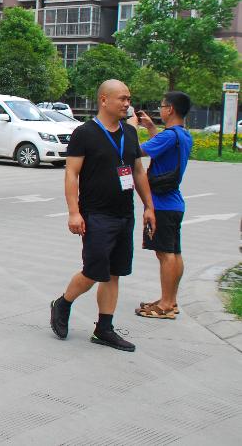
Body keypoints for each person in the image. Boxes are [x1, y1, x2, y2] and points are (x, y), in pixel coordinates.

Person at [50, 79, 156, 353]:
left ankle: (104, 329)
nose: (127, 103)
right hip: (96, 213)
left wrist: (149, 206)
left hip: (124, 213)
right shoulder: (84, 133)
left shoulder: (130, 132)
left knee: (114, 273)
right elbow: (71, 173)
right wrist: (74, 212)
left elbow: (138, 171)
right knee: (93, 271)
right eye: (122, 98)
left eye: (128, 98)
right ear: (104, 100)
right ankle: (63, 303)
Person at [132, 92, 193, 320]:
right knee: (174, 253)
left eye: (162, 106)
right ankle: (171, 300)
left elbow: (137, 151)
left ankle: (165, 305)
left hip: (162, 204)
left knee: (165, 254)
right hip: (174, 202)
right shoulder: (182, 135)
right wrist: (150, 128)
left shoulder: (168, 136)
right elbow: (162, 148)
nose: (160, 109)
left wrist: (132, 128)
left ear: (171, 109)